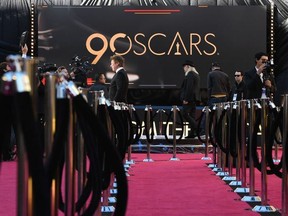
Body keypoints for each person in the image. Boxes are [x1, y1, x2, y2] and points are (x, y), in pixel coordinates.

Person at [180, 60, 200, 138]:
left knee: (185, 114)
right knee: (192, 115)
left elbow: (189, 88)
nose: (183, 69)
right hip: (194, 99)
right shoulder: (196, 74)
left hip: (189, 99)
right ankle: (192, 133)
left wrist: (186, 99)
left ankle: (197, 128)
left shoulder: (190, 74)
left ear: (188, 66)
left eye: (184, 67)